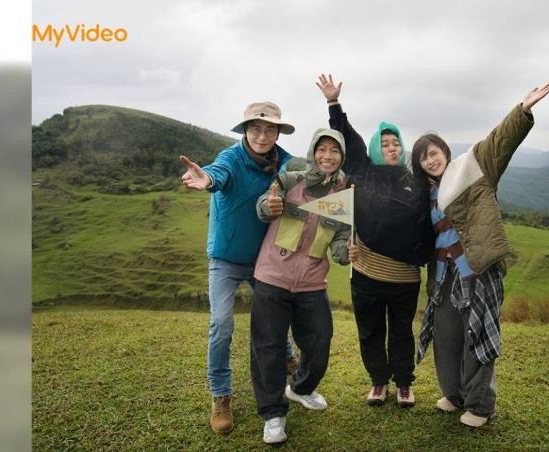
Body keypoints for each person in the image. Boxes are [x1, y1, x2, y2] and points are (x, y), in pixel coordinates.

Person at [414, 81, 549, 428]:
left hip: (476, 270)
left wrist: (521, 111)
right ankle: (455, 394)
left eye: (434, 152)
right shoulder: (426, 193)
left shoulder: (471, 171)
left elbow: (498, 145)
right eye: (423, 157)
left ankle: (480, 406)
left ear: (445, 152)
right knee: (446, 337)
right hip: (445, 276)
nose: (431, 160)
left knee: (476, 337)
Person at [179, 101, 299, 435]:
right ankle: (221, 396)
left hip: (264, 258)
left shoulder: (285, 163)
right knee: (221, 325)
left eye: (270, 129)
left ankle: (288, 357)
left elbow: (305, 185)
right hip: (226, 258)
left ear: (278, 132)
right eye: (256, 128)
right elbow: (217, 174)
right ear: (245, 131)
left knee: (277, 315)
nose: (263, 136)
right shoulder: (231, 157)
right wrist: (207, 180)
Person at [316, 74, 435, 408]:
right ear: (374, 149)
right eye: (384, 144)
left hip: (404, 278)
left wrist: (421, 257)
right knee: (369, 332)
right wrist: (333, 103)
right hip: (366, 272)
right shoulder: (361, 170)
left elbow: (428, 227)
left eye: (395, 143)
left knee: (401, 333)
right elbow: (348, 138)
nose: (392, 148)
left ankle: (405, 384)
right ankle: (378, 382)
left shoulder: (416, 183)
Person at [250, 128, 353, 444]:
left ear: (341, 157)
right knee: (267, 348)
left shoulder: (341, 194)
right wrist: (268, 207)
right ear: (313, 151)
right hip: (272, 277)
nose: (327, 156)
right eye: (322, 149)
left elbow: (338, 241)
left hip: (311, 283)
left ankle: (300, 388)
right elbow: (263, 206)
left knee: (319, 342)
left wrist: (344, 252)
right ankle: (273, 414)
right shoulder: (291, 179)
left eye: (334, 151)